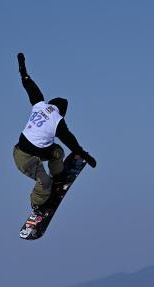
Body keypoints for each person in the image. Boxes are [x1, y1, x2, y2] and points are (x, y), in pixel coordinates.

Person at [13, 52, 96, 214]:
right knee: (44, 182)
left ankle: (57, 176)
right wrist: (85, 156)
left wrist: (22, 69)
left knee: (56, 151)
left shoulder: (39, 104)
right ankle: (37, 205)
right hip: (24, 158)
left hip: (24, 150)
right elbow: (71, 142)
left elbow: (29, 85)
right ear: (62, 113)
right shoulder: (58, 121)